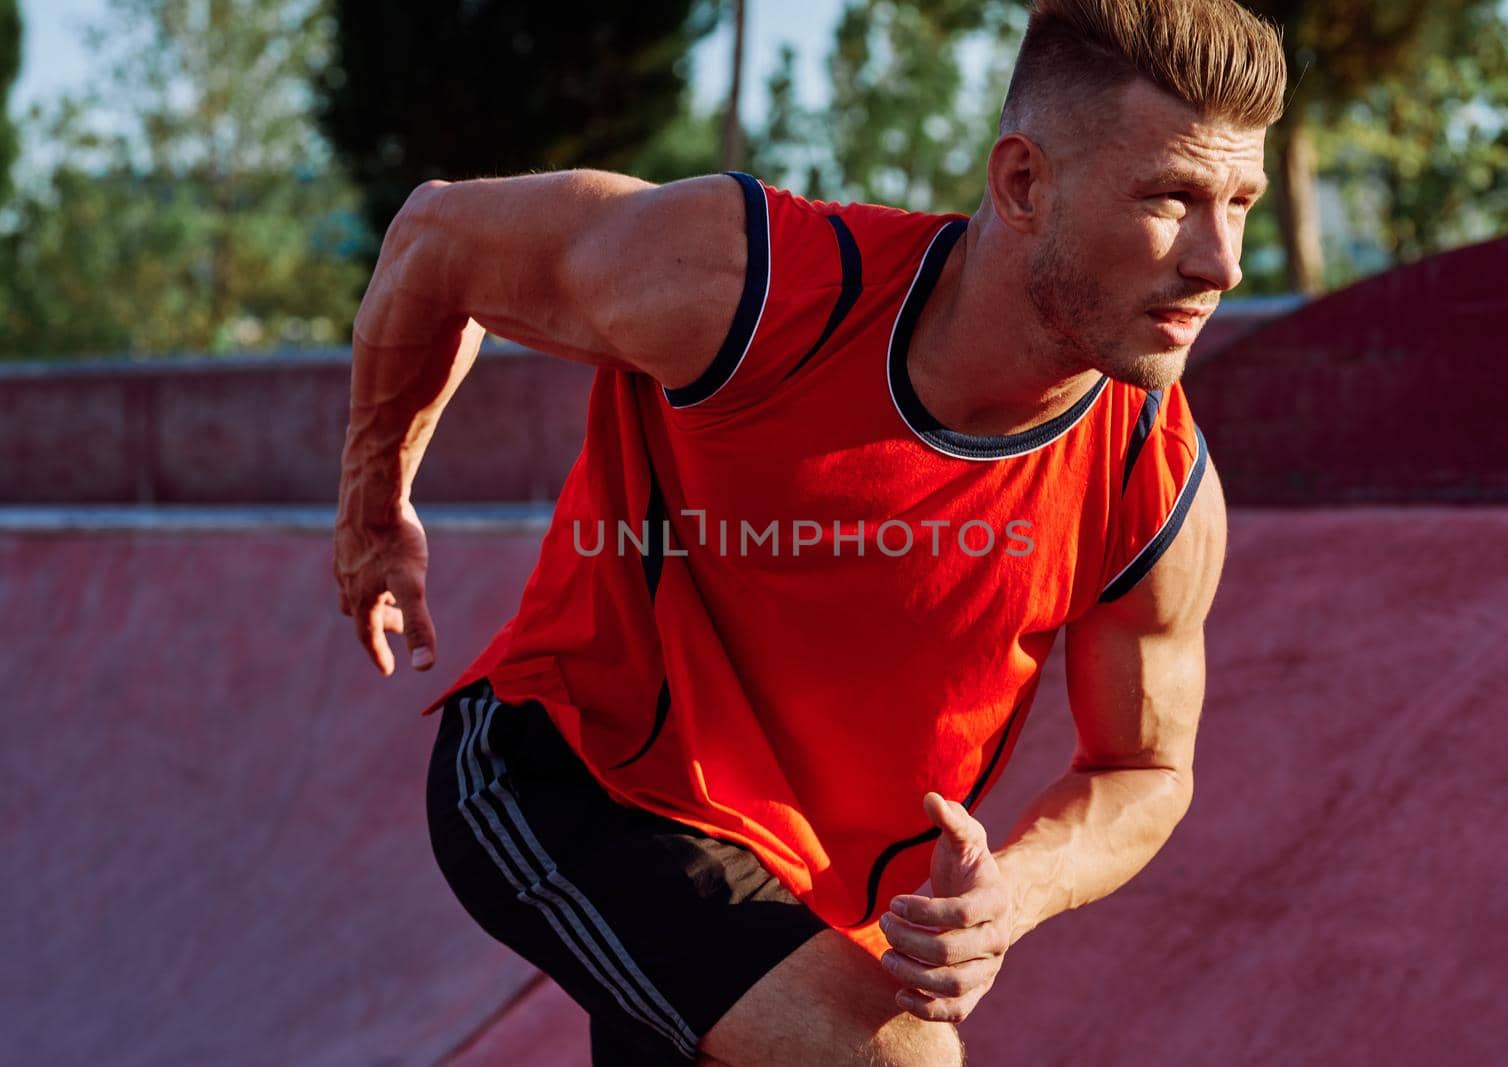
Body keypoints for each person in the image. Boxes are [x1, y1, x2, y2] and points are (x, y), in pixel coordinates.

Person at [333, 0, 1285, 1063]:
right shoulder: (753, 288)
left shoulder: (1150, 478)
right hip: (579, 772)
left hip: (814, 895)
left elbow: (1143, 766)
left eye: (1240, 201)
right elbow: (435, 238)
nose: (1221, 261)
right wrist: (375, 506)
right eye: (1171, 198)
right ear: (1023, 183)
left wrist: (1015, 892)